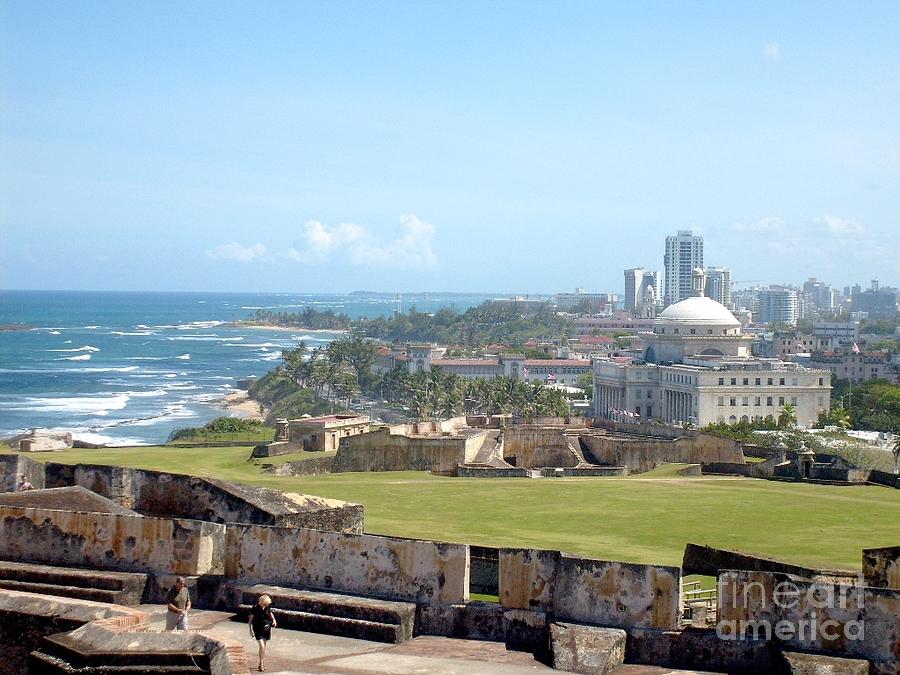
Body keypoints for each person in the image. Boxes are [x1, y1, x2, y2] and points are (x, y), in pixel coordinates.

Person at [248, 594, 277, 672]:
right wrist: (250, 630)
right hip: (257, 629)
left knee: (264, 647)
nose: (267, 604)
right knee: (261, 646)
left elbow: (270, 613)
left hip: (267, 629)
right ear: (262, 602)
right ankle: (261, 664)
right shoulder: (255, 608)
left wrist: (274, 620)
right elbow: (250, 620)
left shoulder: (267, 607)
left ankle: (261, 663)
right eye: (266, 603)